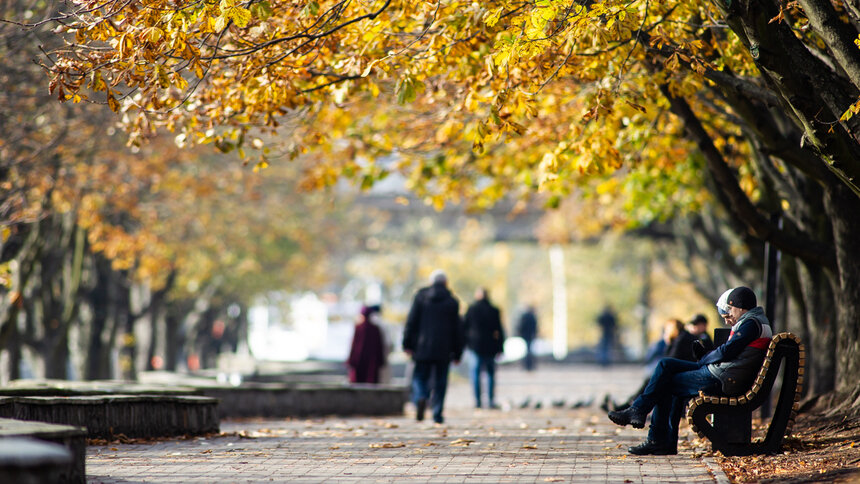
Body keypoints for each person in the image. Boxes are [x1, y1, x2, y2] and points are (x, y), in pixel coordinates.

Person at [608, 286, 772, 455]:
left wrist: (704, 359)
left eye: (730, 310)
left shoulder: (751, 324)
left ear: (740, 307)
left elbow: (727, 351)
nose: (728, 315)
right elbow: (730, 352)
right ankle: (639, 413)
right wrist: (706, 356)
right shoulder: (755, 322)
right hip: (722, 372)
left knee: (665, 383)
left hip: (723, 378)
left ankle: (655, 436)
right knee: (665, 365)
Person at [402, 270, 464, 424]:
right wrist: (458, 353)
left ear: (431, 282)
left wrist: (407, 344)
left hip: (422, 348)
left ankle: (421, 397)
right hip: (444, 349)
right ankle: (437, 413)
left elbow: (411, 322)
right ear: (446, 283)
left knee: (419, 377)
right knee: (441, 381)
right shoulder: (452, 302)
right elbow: (458, 329)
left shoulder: (421, 298)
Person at [463, 287, 505, 409]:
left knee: (475, 374)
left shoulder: (472, 309)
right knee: (490, 374)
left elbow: (464, 327)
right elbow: (499, 329)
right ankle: (491, 400)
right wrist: (500, 347)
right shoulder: (494, 310)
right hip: (490, 347)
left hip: (475, 346)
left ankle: (477, 401)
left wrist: (466, 343)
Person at [347, 305, 387, 384]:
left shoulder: (359, 328)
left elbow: (354, 346)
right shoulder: (375, 329)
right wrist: (380, 360)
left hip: (360, 360)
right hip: (371, 361)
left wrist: (351, 360)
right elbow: (379, 347)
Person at [516, 305, 538, 371]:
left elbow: (521, 326)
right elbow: (534, 327)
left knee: (527, 351)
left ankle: (527, 365)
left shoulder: (525, 317)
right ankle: (529, 365)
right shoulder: (532, 317)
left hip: (525, 336)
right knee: (529, 351)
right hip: (530, 336)